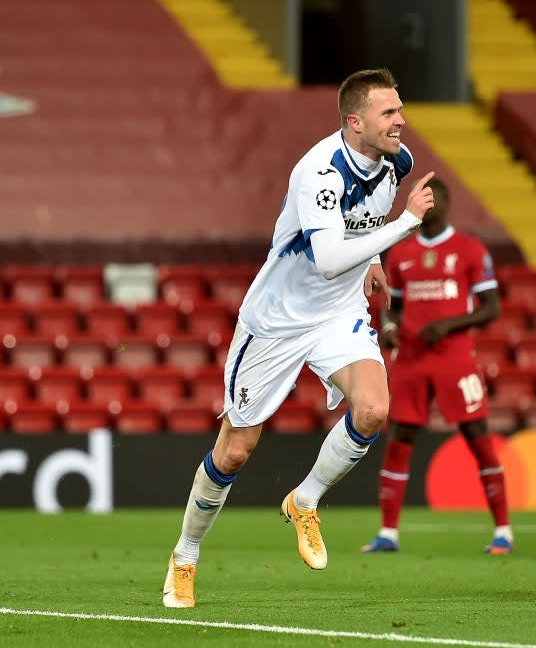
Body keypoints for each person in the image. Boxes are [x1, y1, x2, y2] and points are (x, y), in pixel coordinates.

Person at [162, 68, 436, 608]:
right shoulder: (318, 173)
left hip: (338, 313)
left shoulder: (394, 163)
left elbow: (364, 222)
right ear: (355, 122)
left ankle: (304, 500)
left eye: (400, 110)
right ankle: (185, 555)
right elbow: (331, 258)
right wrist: (405, 226)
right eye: (390, 113)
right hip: (278, 322)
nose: (401, 122)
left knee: (374, 409)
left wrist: (376, 256)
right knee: (237, 450)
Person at [361, 177, 513, 555]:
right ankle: (388, 534)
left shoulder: (470, 250)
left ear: (447, 204)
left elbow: (491, 308)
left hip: (455, 358)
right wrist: (391, 329)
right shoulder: (401, 254)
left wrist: (448, 324)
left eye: (436, 198)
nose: (431, 205)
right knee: (400, 438)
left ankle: (503, 531)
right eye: (425, 199)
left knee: (477, 435)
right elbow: (390, 308)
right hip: (411, 359)